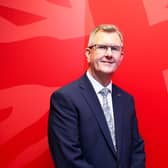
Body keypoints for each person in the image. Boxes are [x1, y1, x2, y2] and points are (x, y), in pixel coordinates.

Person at [48, 24, 145, 168]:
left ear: (121, 56)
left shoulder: (126, 100)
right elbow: (68, 160)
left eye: (115, 48)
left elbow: (137, 150)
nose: (109, 54)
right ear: (88, 54)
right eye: (102, 47)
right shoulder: (65, 98)